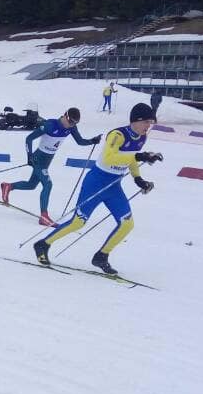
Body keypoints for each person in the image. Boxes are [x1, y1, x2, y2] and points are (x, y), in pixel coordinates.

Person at [33, 102, 162, 275]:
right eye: (146, 122)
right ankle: (43, 244)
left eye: (151, 123)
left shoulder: (142, 138)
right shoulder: (117, 135)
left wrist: (138, 179)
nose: (149, 126)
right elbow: (110, 158)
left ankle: (101, 256)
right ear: (136, 121)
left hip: (114, 186)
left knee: (127, 224)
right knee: (78, 222)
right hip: (96, 182)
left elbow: (130, 159)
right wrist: (139, 156)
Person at [1, 107, 100, 226]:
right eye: (70, 122)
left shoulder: (71, 127)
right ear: (65, 116)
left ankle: (8, 186)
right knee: (48, 185)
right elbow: (29, 138)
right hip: (38, 159)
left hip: (48, 159)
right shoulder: (50, 125)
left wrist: (92, 141)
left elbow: (80, 141)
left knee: (31, 185)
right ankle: (44, 216)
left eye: (75, 123)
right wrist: (30, 156)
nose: (71, 125)